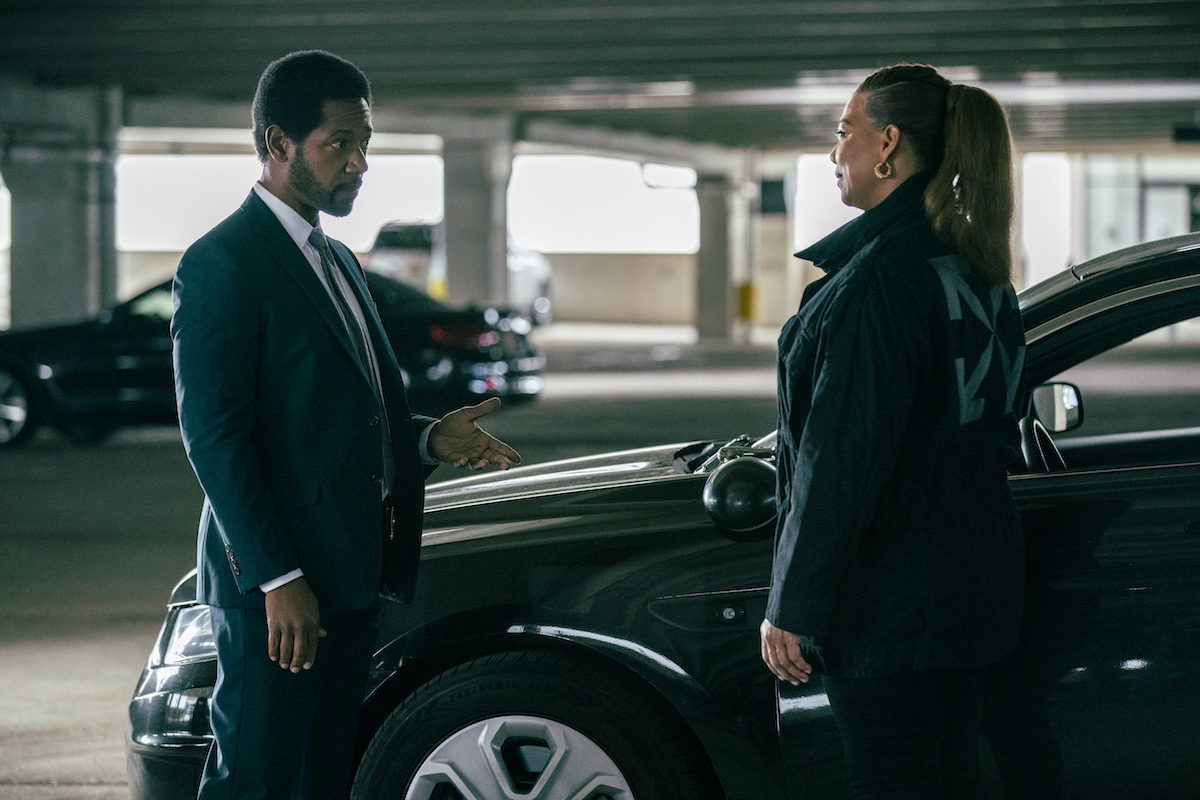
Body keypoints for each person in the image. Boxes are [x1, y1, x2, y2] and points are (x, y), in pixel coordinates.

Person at [171, 50, 520, 800]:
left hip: (349, 572)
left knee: (324, 775)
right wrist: (277, 577)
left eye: (365, 143)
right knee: (257, 778)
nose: (359, 162)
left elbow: (340, 410)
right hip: (279, 586)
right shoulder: (223, 264)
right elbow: (215, 437)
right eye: (338, 144)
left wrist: (426, 439)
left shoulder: (338, 262)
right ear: (277, 144)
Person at [759, 64, 1027, 799]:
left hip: (889, 605)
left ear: (888, 144)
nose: (833, 152)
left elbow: (841, 457)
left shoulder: (880, 275)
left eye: (844, 132)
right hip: (970, 588)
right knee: (949, 777)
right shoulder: (976, 264)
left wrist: (794, 602)